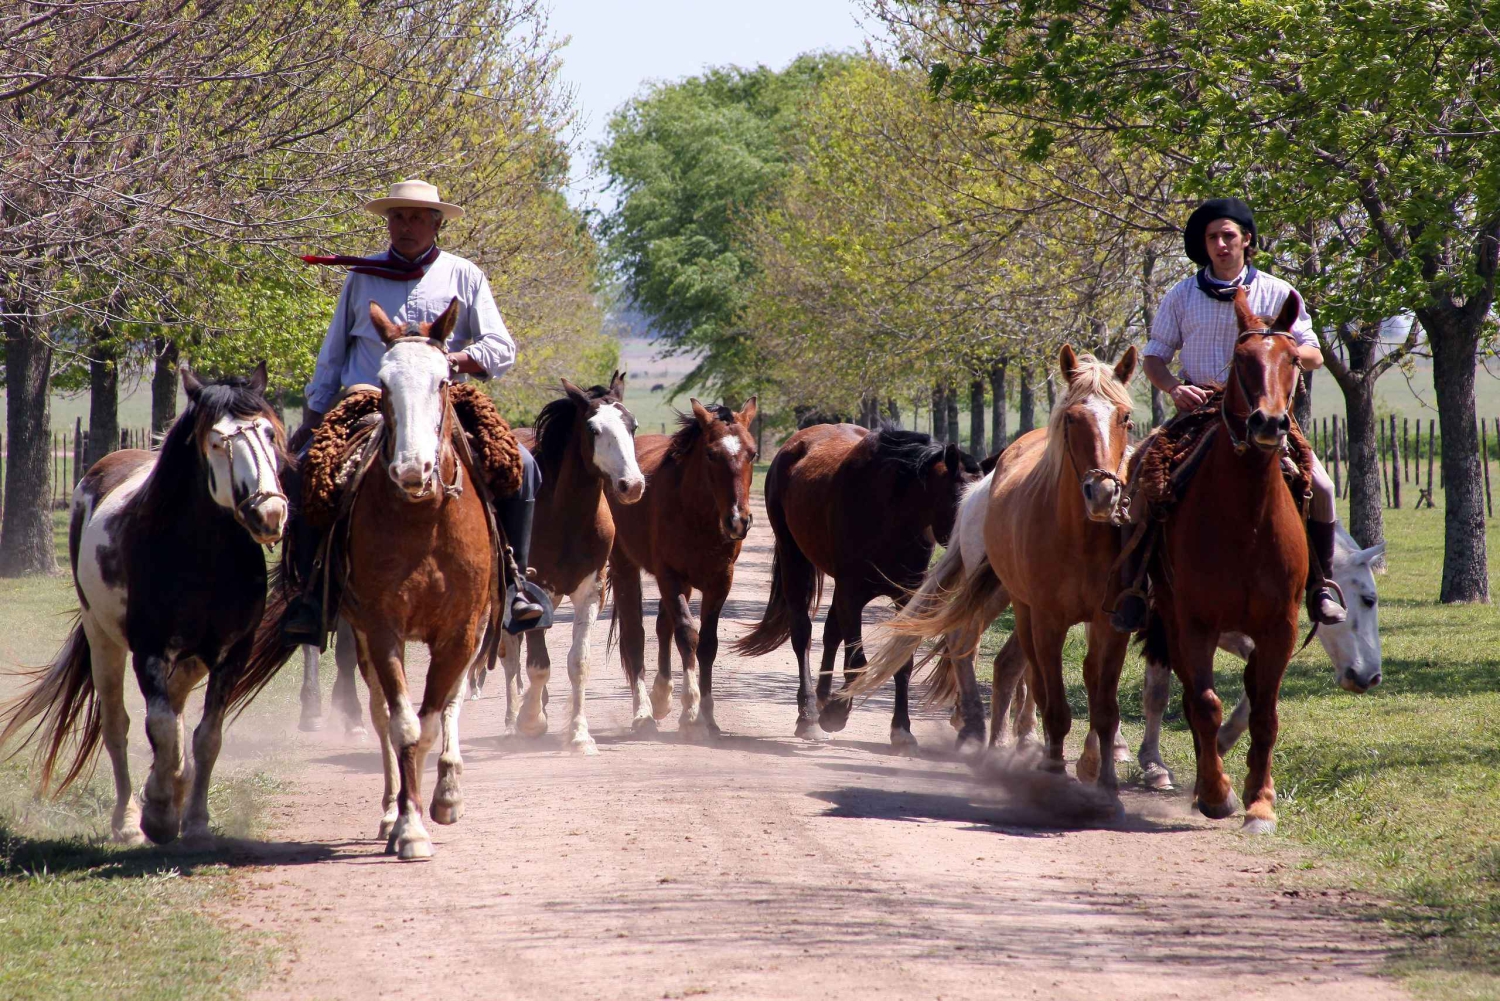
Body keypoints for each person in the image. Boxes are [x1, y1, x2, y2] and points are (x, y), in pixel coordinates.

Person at [281, 179, 547, 645]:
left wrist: (455, 360)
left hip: (445, 397)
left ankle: (514, 580)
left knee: (520, 464)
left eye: (417, 217)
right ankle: (310, 593)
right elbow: (333, 352)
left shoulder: (464, 275)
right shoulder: (361, 277)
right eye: (397, 217)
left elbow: (501, 347)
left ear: (437, 224)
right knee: (308, 469)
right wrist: (315, 415)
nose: (405, 226)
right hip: (368, 397)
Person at [1109, 197, 1346, 632]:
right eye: (1212, 237)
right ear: (1205, 245)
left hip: (1263, 413)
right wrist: (1174, 388)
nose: (1220, 244)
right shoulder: (1181, 295)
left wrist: (1286, 349)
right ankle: (1134, 589)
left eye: (1228, 235)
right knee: (1141, 481)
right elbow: (1155, 357)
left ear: (1246, 240)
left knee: (1325, 488)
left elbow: (1312, 353)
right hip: (1198, 414)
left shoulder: (1279, 292)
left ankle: (1321, 585)